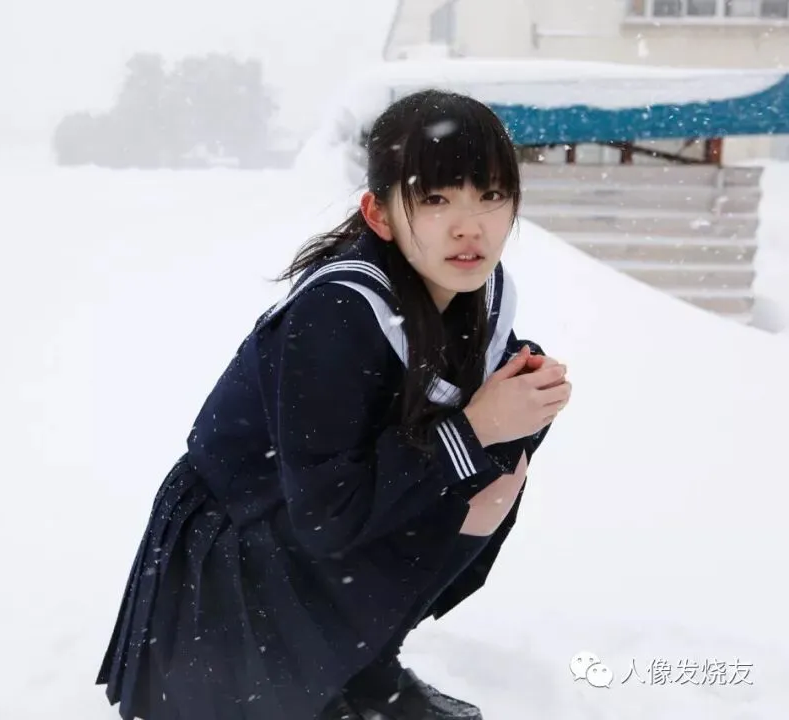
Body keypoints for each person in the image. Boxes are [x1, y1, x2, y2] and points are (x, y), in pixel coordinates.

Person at [96, 88, 571, 720]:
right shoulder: (337, 310)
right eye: (435, 199)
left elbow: (472, 424)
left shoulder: (475, 288)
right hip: (231, 555)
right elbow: (327, 514)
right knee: (466, 456)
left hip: (310, 527)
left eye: (490, 195)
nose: (470, 225)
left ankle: (365, 663)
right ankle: (314, 678)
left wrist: (525, 395)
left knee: (495, 474)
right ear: (379, 214)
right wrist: (476, 425)